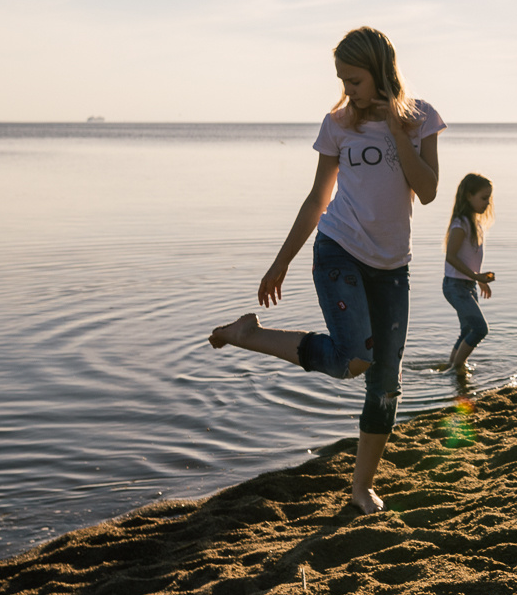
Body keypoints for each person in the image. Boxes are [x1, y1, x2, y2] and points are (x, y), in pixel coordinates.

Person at [207, 26, 443, 516]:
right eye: (342, 80)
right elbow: (318, 198)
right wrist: (281, 261)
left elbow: (427, 191)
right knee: (354, 360)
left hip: (392, 265)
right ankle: (250, 335)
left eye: (354, 80)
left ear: (381, 72)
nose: (347, 90)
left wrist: (396, 130)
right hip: (339, 249)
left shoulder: (421, 118)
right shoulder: (337, 125)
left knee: (385, 383)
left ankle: (361, 488)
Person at [441, 172, 495, 371]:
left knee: (467, 329)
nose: (487, 203)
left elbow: (469, 258)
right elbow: (451, 256)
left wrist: (479, 280)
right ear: (468, 196)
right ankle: (457, 369)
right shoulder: (460, 224)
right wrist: (476, 276)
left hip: (467, 285)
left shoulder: (475, 223)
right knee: (480, 329)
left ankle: (452, 366)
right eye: (484, 198)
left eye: (489, 198)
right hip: (455, 286)